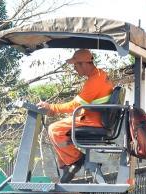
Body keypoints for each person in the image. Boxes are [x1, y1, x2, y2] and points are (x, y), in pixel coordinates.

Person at [37, 48, 114, 183]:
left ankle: (75, 160)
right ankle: (67, 166)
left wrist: (52, 107)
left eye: (75, 65)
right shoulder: (100, 75)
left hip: (93, 121)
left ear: (83, 64)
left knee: (54, 129)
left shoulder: (94, 81)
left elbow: (75, 106)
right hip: (93, 117)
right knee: (59, 129)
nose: (74, 68)